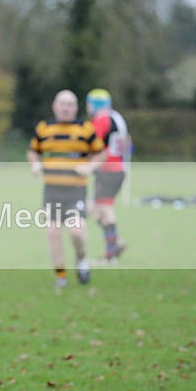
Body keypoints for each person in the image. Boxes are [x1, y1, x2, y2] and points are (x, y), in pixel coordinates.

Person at [27, 90, 105, 293]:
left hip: (76, 190)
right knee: (53, 232)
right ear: (54, 106)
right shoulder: (44, 128)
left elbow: (100, 154)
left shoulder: (86, 129)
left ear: (76, 108)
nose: (66, 108)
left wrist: (89, 167)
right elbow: (33, 151)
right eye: (62, 104)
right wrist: (35, 164)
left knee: (76, 231)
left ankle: (81, 259)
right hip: (52, 189)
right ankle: (60, 275)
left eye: (70, 104)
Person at [85, 88, 129, 262]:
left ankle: (112, 252)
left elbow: (91, 144)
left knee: (104, 208)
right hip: (118, 168)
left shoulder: (101, 119)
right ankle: (115, 242)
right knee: (93, 207)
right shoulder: (117, 118)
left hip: (108, 169)